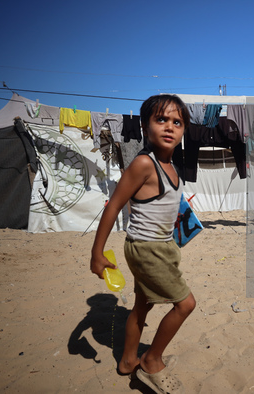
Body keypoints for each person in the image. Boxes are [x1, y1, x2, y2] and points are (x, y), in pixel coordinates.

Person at [90, 94, 195, 393]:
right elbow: (114, 206)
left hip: (161, 245)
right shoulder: (143, 164)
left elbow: (159, 206)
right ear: (145, 125)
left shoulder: (172, 168)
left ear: (184, 130)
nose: (169, 127)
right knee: (186, 304)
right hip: (147, 249)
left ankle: (127, 361)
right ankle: (151, 361)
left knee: (142, 306)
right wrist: (97, 252)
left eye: (177, 122)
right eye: (161, 119)